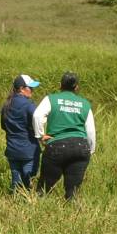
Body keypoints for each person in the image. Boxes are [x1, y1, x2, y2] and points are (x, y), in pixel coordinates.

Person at [34, 71, 95, 200]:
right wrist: (91, 150)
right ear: (77, 87)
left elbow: (37, 116)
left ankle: (38, 209)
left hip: (56, 146)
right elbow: (90, 131)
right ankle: (72, 215)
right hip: (81, 147)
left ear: (60, 85)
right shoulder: (85, 104)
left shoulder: (51, 99)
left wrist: (40, 136)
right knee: (72, 191)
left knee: (44, 189)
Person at [0, 74, 42, 194]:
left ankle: (14, 203)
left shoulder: (6, 105)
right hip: (29, 150)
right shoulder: (29, 105)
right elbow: (37, 120)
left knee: (16, 181)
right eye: (30, 88)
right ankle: (27, 205)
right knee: (29, 181)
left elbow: (4, 126)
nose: (32, 90)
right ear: (22, 89)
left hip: (12, 150)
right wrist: (41, 135)